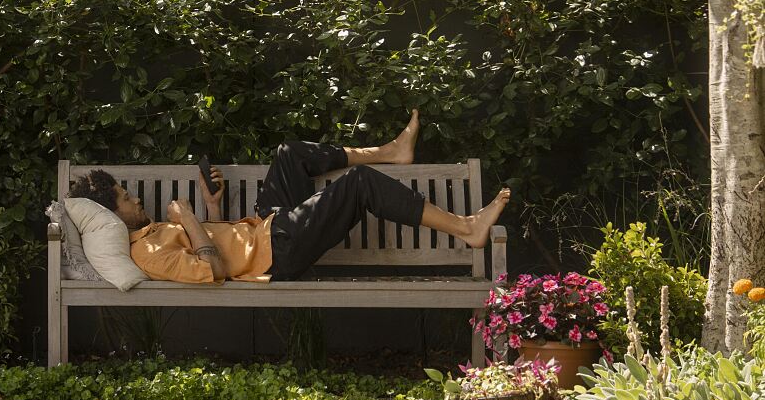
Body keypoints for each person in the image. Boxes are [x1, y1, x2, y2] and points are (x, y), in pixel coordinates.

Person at [67, 110, 510, 283]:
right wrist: (188, 219)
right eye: (126, 199)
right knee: (360, 185)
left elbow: (214, 241)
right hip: (277, 253)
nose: (135, 200)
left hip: (265, 229)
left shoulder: (151, 231)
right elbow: (215, 271)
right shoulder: (147, 254)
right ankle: (466, 228)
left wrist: (213, 206)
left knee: (288, 154)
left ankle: (392, 151)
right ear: (111, 213)